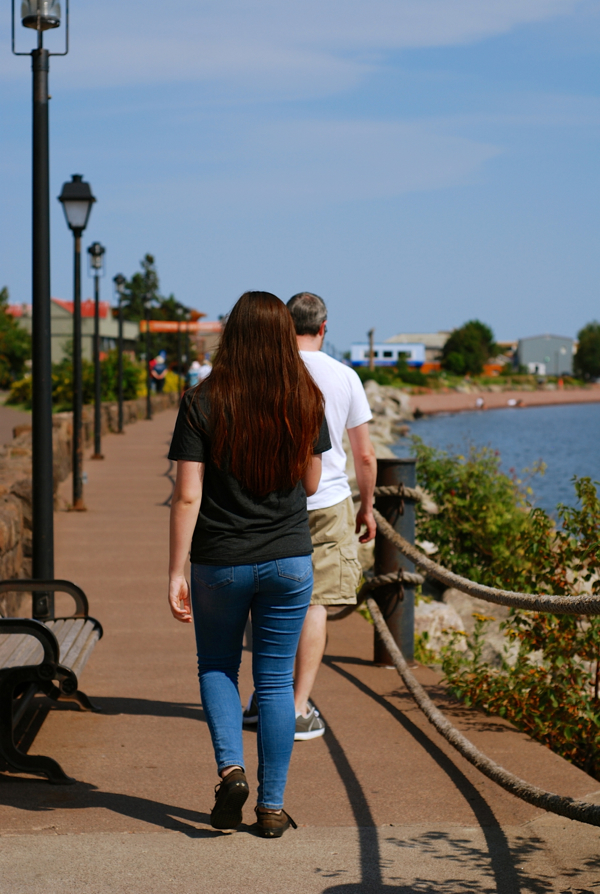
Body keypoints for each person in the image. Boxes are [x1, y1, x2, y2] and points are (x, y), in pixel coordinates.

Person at [168, 291, 330, 837]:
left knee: (217, 665)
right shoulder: (305, 398)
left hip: (220, 561)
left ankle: (231, 771)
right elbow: (311, 484)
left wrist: (174, 571)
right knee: (277, 680)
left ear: (231, 335)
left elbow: (187, 496)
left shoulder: (201, 401)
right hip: (288, 559)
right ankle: (271, 806)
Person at [243, 292, 377, 740]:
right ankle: (297, 708)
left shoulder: (269, 373)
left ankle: (263, 697)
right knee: (314, 603)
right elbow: (366, 456)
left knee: (268, 599)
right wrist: (368, 506)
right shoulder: (345, 376)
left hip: (274, 500)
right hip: (328, 502)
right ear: (324, 327)